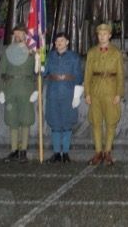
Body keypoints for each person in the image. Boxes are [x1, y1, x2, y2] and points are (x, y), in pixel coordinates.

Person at [84, 23, 124, 166]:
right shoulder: (92, 52)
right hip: (95, 90)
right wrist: (87, 92)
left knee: (111, 122)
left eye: (105, 34)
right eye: (100, 34)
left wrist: (119, 93)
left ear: (110, 35)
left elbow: (120, 75)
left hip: (110, 90)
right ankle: (98, 152)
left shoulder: (116, 53)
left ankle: (107, 152)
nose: (102, 36)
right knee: (96, 122)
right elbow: (87, 73)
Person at [43, 32, 83, 162]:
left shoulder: (74, 57)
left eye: (61, 41)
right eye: (56, 41)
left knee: (67, 122)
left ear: (67, 42)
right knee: (54, 123)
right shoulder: (50, 56)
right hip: (53, 93)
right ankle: (56, 153)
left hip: (68, 92)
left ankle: (65, 153)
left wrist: (77, 95)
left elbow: (78, 76)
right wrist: (38, 63)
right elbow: (43, 73)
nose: (58, 43)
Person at [0, 26, 37, 162]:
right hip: (10, 88)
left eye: (20, 33)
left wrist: (37, 90)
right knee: (12, 119)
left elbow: (37, 73)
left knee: (26, 119)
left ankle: (23, 151)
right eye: (15, 33)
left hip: (26, 88)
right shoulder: (8, 51)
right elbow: (2, 73)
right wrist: (1, 91)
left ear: (25, 35)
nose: (18, 35)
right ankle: (14, 150)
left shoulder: (32, 52)